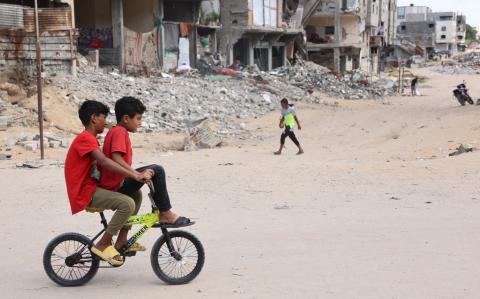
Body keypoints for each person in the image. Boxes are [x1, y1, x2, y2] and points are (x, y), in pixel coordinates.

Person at [64, 100, 152, 266]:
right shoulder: (85, 138)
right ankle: (103, 243)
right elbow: (104, 161)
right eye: (103, 117)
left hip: (92, 188)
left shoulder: (91, 139)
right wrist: (134, 175)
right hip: (85, 192)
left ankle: (121, 241)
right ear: (94, 118)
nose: (106, 121)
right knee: (126, 204)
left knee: (136, 194)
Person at [99, 97, 190, 232]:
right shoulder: (119, 131)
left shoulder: (116, 130)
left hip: (115, 182)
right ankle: (165, 213)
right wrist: (136, 175)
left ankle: (121, 241)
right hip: (117, 185)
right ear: (126, 119)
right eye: (138, 118)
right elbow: (116, 158)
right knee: (157, 170)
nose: (140, 123)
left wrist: (138, 174)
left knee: (151, 171)